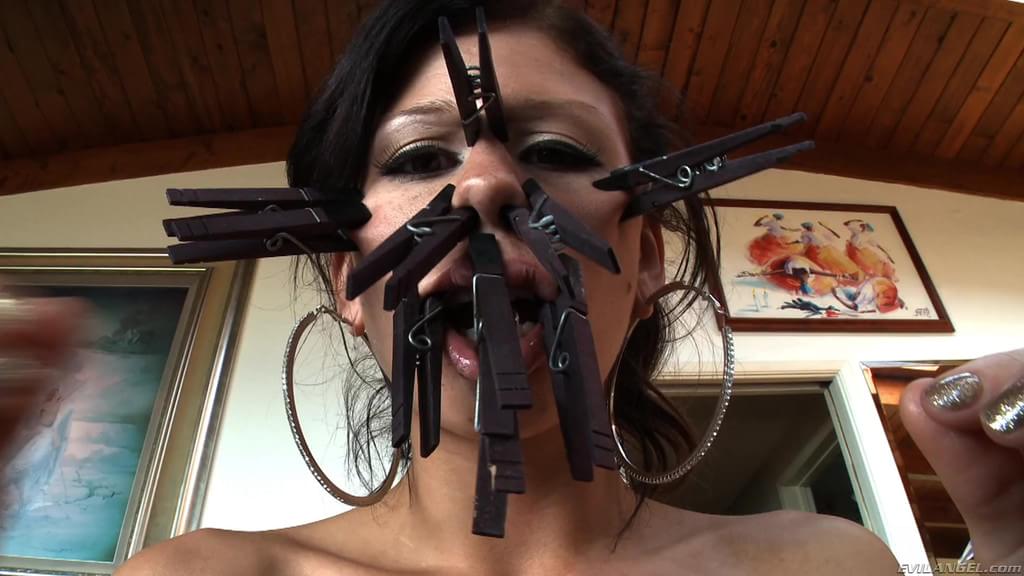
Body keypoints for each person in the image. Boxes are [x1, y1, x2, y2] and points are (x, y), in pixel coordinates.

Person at [1, 1, 1021, 574]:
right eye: (418, 160)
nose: (486, 185)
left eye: (555, 150)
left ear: (650, 259)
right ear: (347, 277)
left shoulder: (823, 567)